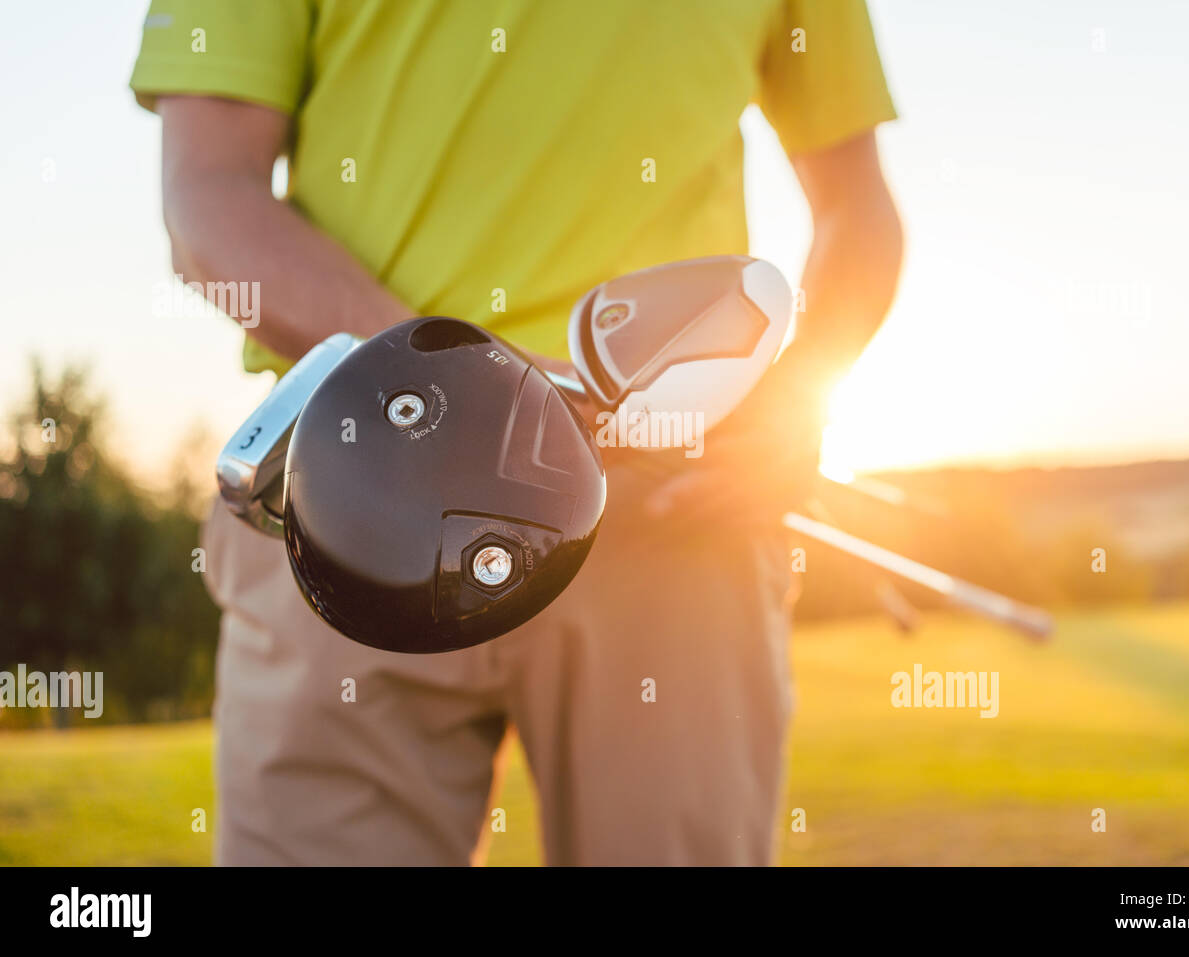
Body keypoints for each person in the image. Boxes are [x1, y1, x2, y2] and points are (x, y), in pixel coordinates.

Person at [130, 0, 902, 866]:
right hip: (350, 497)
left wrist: (797, 391)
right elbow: (208, 194)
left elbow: (857, 211)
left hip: (678, 518)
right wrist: (448, 388)